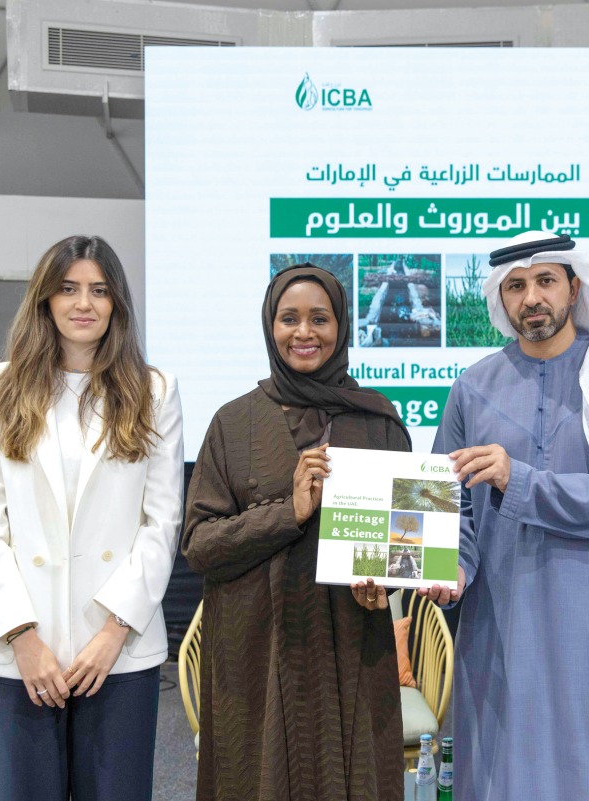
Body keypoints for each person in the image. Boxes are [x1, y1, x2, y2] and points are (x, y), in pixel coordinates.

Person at [420, 231, 589, 800]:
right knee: (507, 768)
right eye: (516, 286)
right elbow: (448, 503)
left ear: (574, 286)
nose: (532, 297)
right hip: (503, 616)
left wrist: (521, 478)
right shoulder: (472, 387)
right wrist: (450, 568)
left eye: (545, 281)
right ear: (501, 300)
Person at [0, 235, 184, 801]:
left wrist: (114, 633)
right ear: (45, 299)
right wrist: (22, 638)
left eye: (99, 290)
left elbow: (161, 524)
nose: (84, 303)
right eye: (69, 289)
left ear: (117, 305)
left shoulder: (154, 391)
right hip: (22, 651)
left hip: (118, 651)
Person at [182, 264, 411, 801]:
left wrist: (384, 587)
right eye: (289, 318)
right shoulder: (232, 424)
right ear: (270, 326)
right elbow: (200, 546)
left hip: (352, 644)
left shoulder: (379, 422)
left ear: (342, 327)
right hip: (256, 650)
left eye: (320, 319)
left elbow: (400, 547)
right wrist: (291, 511)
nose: (304, 332)